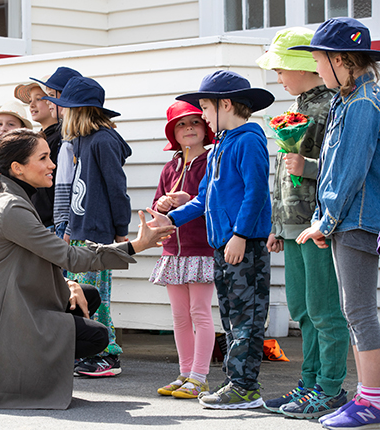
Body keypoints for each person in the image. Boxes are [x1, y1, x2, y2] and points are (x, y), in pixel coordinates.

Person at [0, 129, 175, 409]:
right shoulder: (10, 207)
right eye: (43, 158)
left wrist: (68, 284)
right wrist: (137, 245)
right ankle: (19, 378)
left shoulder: (11, 196)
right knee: (96, 335)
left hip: (1, 301)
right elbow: (69, 257)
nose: (52, 164)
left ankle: (30, 371)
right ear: (18, 168)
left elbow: (36, 258)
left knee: (87, 295)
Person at [149, 70, 274, 409]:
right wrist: (170, 219)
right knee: (231, 320)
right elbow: (203, 198)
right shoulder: (222, 146)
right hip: (222, 246)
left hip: (242, 245)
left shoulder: (249, 140)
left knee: (246, 318)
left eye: (205, 107)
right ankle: (236, 383)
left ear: (226, 104)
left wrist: (241, 235)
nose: (202, 116)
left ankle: (246, 388)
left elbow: (256, 192)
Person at [255, 27, 349, 419]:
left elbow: (345, 167)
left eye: (281, 68)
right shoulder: (299, 107)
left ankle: (330, 387)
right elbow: (282, 176)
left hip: (318, 222)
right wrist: (277, 224)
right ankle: (309, 383)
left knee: (324, 308)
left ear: (302, 66)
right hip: (293, 225)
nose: (278, 75)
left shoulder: (332, 106)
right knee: (303, 309)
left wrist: (307, 166)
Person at [291, 18, 380, 430]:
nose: (317, 68)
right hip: (347, 218)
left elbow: (350, 171)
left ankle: (371, 401)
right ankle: (367, 396)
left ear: (340, 59)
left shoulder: (364, 103)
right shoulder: (348, 100)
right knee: (355, 309)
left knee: (359, 311)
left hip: (358, 219)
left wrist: (326, 221)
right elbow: (329, 168)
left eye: (318, 60)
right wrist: (321, 218)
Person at [44, 76, 131, 377]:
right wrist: (68, 225)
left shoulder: (104, 141)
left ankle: (107, 354)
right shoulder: (81, 141)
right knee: (80, 293)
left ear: (80, 111)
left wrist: (121, 229)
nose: (63, 113)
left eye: (67, 108)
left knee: (97, 295)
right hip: (80, 231)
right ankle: (89, 349)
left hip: (99, 234)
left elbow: (116, 188)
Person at [151, 101, 215, 399]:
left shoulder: (213, 162)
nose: (189, 128)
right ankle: (185, 372)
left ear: (206, 128)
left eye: (194, 123)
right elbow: (156, 208)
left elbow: (214, 202)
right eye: (181, 124)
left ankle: (200, 376)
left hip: (200, 247)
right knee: (179, 316)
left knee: (199, 312)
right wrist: (161, 205)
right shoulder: (170, 167)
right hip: (172, 252)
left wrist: (187, 198)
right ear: (173, 134)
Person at [32, 67, 82, 240]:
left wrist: (65, 226)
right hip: (53, 222)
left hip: (62, 225)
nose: (47, 101)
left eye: (50, 95)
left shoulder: (71, 139)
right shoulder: (60, 136)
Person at [15, 77, 60, 228]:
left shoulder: (60, 139)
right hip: (35, 221)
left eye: (39, 99)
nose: (32, 105)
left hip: (51, 223)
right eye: (29, 101)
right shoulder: (37, 139)